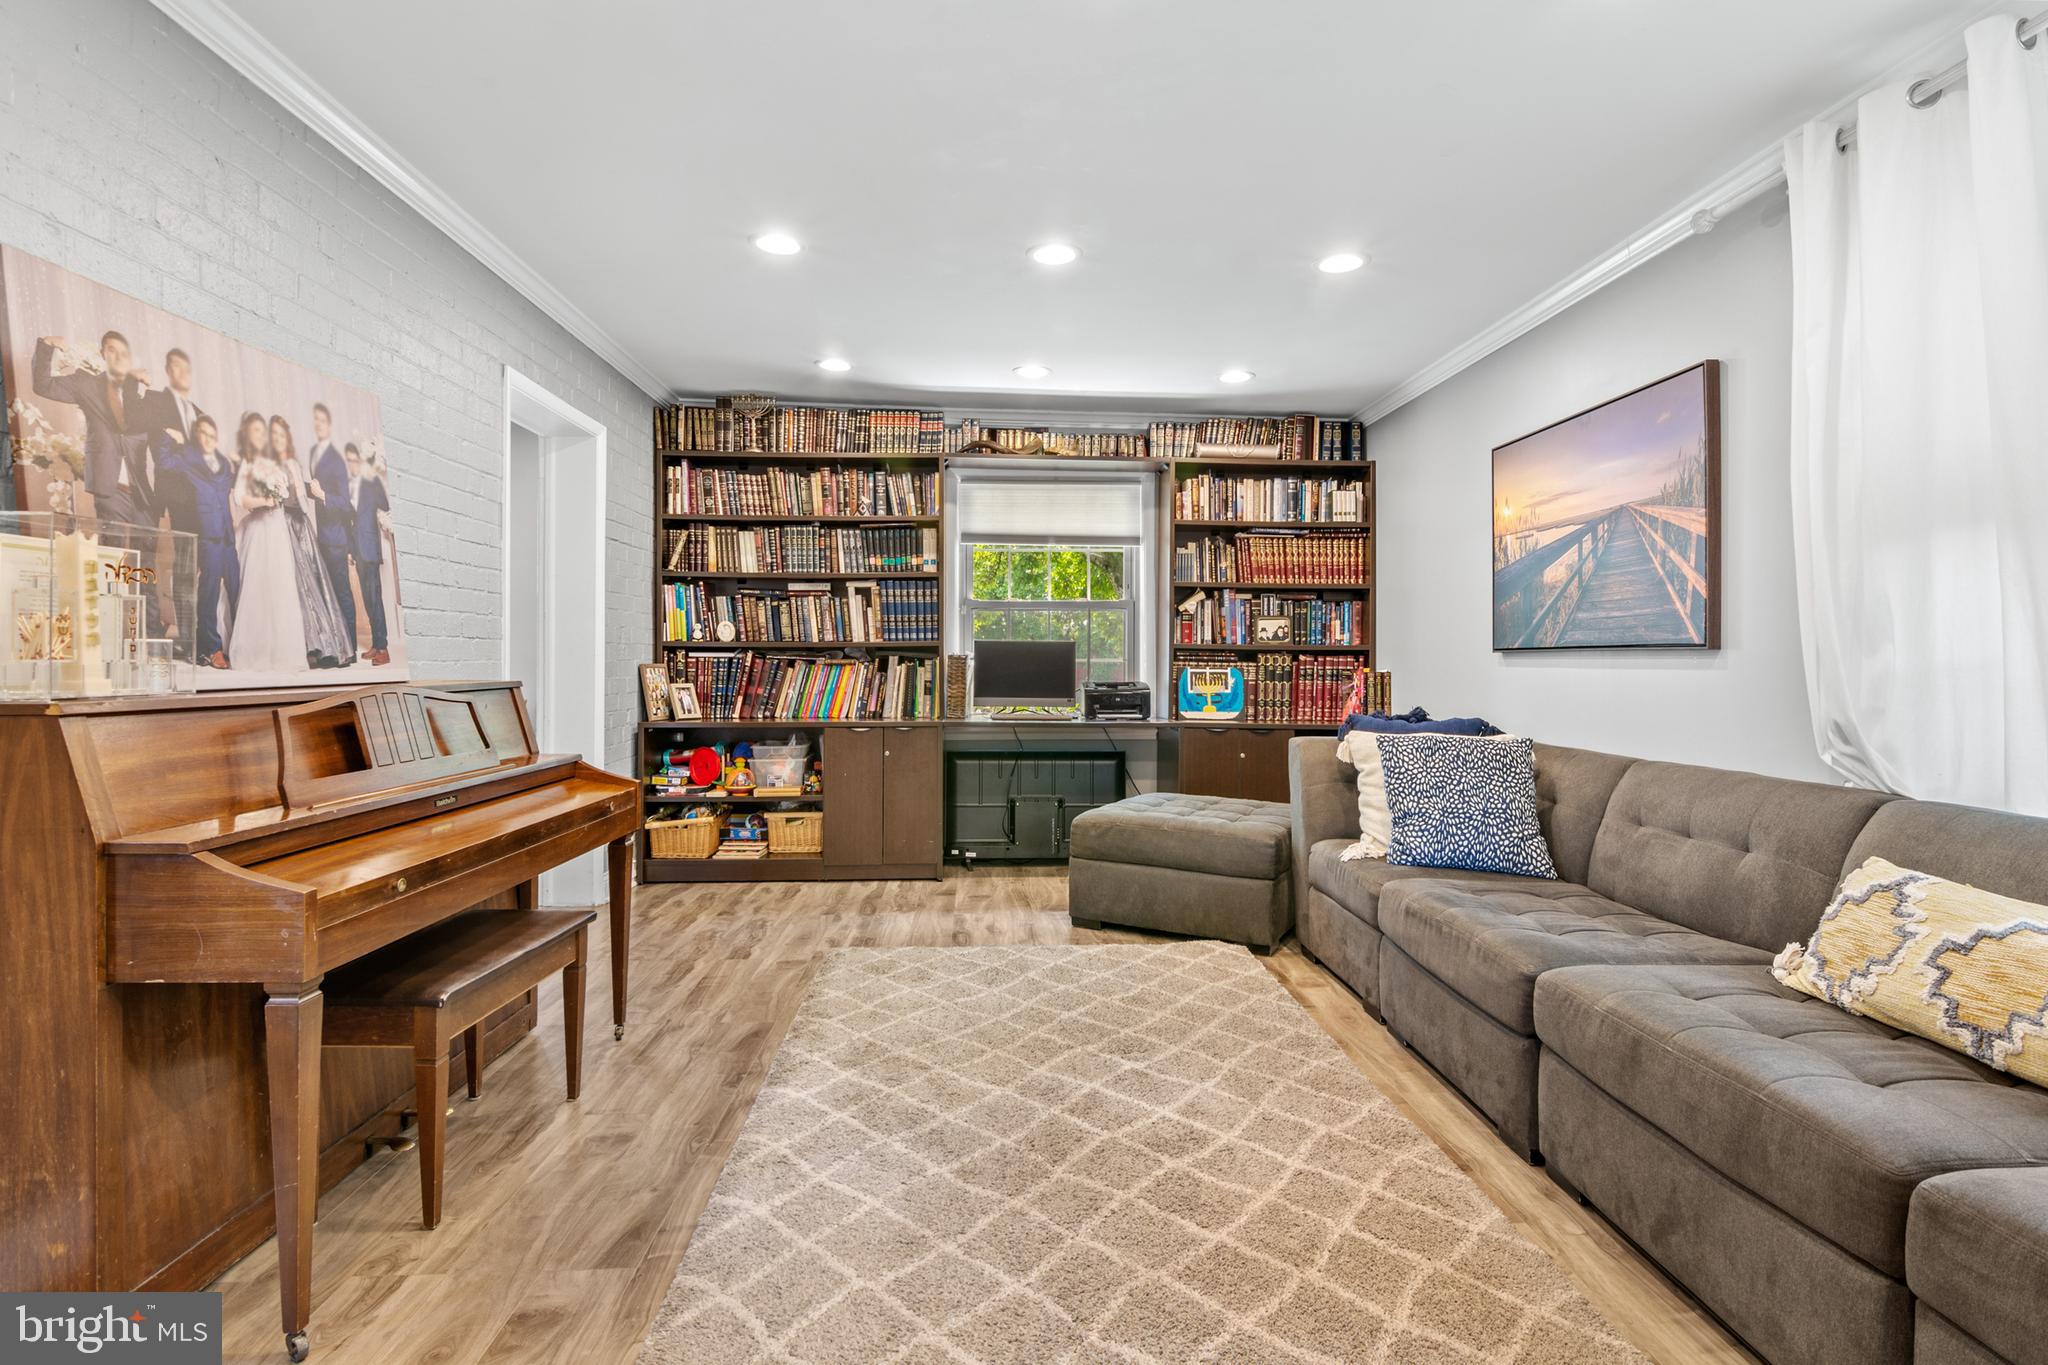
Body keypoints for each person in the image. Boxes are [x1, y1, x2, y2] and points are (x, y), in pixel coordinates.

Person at [30, 331, 153, 530]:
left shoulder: (138, 394)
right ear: (102, 353)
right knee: (114, 553)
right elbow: (43, 386)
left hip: (142, 493)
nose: (119, 357)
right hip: (110, 490)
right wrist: (47, 345)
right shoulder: (87, 385)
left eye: (124, 353)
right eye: (112, 350)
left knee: (148, 555)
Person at [269, 415, 354, 668]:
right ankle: (309, 646)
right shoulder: (267, 466)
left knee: (316, 584)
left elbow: (307, 494)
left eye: (281, 434)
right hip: (282, 524)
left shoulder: (295, 463)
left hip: (302, 525)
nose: (278, 439)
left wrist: (319, 494)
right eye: (274, 435)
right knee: (297, 586)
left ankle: (330, 645)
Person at [228, 412, 308, 674]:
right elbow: (240, 498)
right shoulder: (248, 464)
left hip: (277, 530)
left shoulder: (274, 464)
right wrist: (266, 500)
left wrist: (279, 495)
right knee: (258, 587)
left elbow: (288, 493)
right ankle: (256, 652)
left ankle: (284, 653)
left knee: (281, 588)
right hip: (260, 528)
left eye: (263, 431)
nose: (260, 436)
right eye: (255, 432)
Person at [158, 414, 239, 667]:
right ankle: (211, 648)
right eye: (203, 433)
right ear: (196, 435)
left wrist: (243, 461)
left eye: (212, 435)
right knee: (209, 591)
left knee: (237, 587)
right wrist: (168, 438)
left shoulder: (224, 463)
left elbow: (238, 483)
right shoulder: (188, 457)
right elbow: (164, 461)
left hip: (227, 533)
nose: (208, 439)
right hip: (208, 534)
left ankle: (238, 644)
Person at [142, 348, 210, 649]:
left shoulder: (198, 412)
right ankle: (186, 639)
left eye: (187, 368)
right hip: (176, 497)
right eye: (176, 368)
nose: (182, 374)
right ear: (168, 371)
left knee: (198, 567)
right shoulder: (156, 401)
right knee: (179, 569)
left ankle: (199, 635)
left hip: (203, 501)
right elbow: (161, 456)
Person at [306, 402, 357, 653]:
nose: (318, 424)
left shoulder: (336, 460)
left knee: (342, 592)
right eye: (315, 420)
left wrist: (323, 495)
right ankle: (338, 646)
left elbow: (347, 504)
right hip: (322, 537)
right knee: (329, 593)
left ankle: (351, 648)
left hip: (337, 539)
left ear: (330, 425)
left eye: (322, 421)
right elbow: (314, 492)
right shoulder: (313, 452)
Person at [344, 442, 393, 665]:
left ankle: (384, 649)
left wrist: (374, 475)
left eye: (354, 459)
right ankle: (376, 644)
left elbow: (384, 504)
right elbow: (350, 521)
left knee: (375, 598)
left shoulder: (369, 481)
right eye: (348, 460)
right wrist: (351, 550)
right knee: (366, 600)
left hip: (371, 549)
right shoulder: (349, 485)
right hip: (358, 549)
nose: (351, 463)